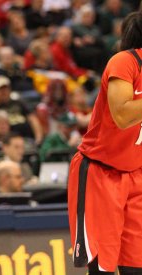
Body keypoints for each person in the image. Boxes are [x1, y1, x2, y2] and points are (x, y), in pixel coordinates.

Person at [67, 10, 142, 275]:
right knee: (102, 270)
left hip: (136, 173)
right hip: (101, 172)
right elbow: (122, 114)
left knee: (136, 267)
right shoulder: (125, 61)